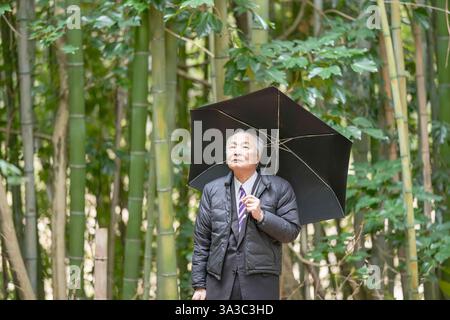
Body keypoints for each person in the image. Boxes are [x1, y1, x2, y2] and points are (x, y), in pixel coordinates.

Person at [191, 129, 301, 300]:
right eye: (232, 147)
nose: (236, 151)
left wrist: (262, 216)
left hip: (260, 284)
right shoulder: (212, 190)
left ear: (257, 157)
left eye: (244, 147)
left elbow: (291, 232)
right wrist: (199, 285)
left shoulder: (280, 188)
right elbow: (202, 241)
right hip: (218, 282)